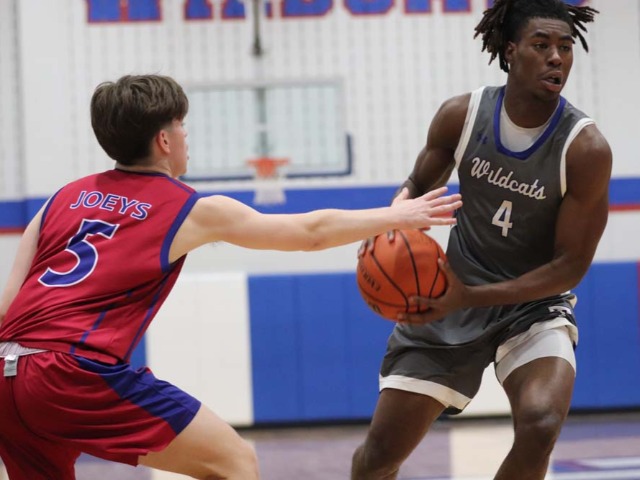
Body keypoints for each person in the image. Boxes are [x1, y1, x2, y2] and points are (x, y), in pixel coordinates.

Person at [0, 74, 462, 480]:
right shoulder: (187, 207)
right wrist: (396, 215)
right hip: (70, 372)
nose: (185, 135)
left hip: (5, 372)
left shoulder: (59, 199)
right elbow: (309, 233)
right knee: (233, 462)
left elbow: (8, 306)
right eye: (181, 125)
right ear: (164, 140)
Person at [351, 1, 611, 479]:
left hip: (533, 305)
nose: (556, 57)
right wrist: (393, 221)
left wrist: (471, 296)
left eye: (565, 47)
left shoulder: (585, 148)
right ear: (510, 51)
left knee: (541, 423)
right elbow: (418, 184)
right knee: (378, 456)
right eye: (541, 45)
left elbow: (569, 267)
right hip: (449, 296)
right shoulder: (462, 115)